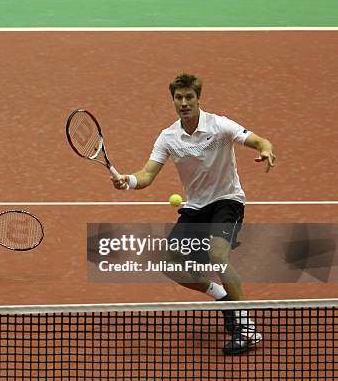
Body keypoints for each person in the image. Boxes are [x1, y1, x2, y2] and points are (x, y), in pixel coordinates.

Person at [113, 73, 276, 355]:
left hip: (227, 200)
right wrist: (128, 180)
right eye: (179, 98)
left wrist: (266, 151)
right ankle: (222, 296)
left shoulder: (220, 126)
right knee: (168, 262)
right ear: (173, 100)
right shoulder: (168, 137)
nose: (184, 102)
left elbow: (260, 140)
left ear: (198, 98)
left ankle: (247, 328)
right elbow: (148, 174)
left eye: (189, 97)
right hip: (196, 207)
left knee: (217, 255)